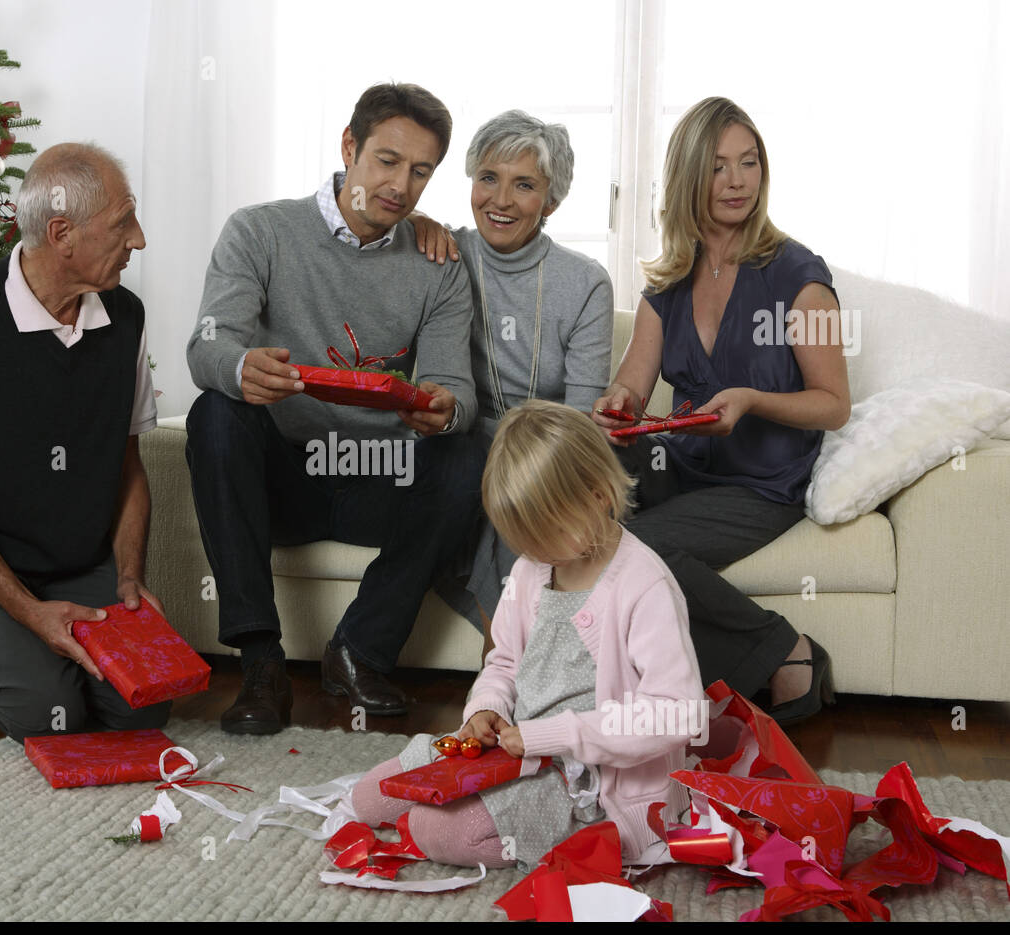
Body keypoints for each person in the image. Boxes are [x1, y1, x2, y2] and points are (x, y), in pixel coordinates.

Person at [185, 82, 482, 735]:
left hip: (382, 475)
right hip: (285, 477)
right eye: (386, 160)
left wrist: (443, 408)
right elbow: (207, 345)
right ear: (349, 147)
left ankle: (359, 652)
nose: (401, 185)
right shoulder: (259, 231)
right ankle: (261, 663)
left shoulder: (438, 263)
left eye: (421, 171)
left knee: (472, 446)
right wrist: (239, 367)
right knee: (215, 411)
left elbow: (453, 386)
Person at [350, 401, 706, 870]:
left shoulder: (643, 585)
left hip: (589, 780)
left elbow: (675, 715)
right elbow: (503, 663)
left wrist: (551, 735)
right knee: (369, 798)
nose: (533, 552)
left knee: (436, 829)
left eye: (544, 533)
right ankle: (478, 802)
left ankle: (572, 833)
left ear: (597, 496)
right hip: (516, 749)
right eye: (522, 539)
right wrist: (486, 709)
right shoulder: (534, 567)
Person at [592, 96, 851, 725]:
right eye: (717, 167)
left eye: (749, 163)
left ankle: (784, 648)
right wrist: (617, 407)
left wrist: (753, 400)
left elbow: (834, 404)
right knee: (578, 516)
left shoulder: (797, 275)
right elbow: (631, 386)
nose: (737, 182)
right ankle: (590, 677)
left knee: (631, 548)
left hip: (761, 483)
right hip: (682, 461)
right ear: (687, 176)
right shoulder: (669, 280)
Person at [0, 142, 172, 743]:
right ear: (61, 233)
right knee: (50, 717)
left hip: (75, 556)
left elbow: (128, 466)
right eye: (122, 222)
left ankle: (13, 642)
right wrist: (28, 614)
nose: (140, 239)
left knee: (143, 706)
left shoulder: (126, 318)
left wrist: (128, 577)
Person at [411, 110, 613, 658]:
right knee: (470, 467)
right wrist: (416, 220)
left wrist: (532, 454)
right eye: (488, 178)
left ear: (551, 201)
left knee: (522, 478)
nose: (500, 199)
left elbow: (582, 417)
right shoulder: (438, 253)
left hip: (552, 446)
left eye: (524, 185)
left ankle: (500, 663)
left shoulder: (585, 282)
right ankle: (517, 661)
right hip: (463, 441)